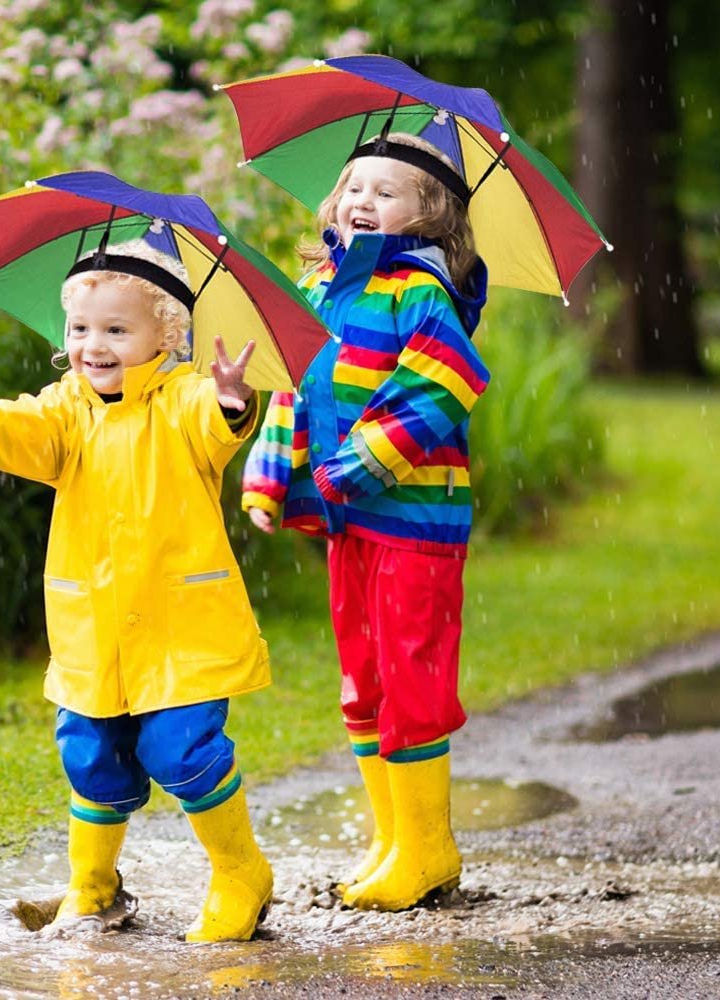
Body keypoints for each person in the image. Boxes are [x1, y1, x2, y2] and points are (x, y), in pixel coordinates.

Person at [0, 239, 273, 942]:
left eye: (116, 330)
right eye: (80, 329)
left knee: (181, 751)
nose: (92, 346)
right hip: (93, 627)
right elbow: (21, 427)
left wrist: (231, 398)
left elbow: (216, 426)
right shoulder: (65, 409)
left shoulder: (185, 399)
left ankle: (240, 872)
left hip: (178, 623)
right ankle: (93, 887)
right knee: (90, 753)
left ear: (167, 334)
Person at [241, 132, 490, 912]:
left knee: (411, 668)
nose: (362, 201)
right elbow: (292, 385)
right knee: (365, 676)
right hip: (350, 524)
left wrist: (352, 469)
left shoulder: (422, 293)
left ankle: (426, 846)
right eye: (355, 187)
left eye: (387, 192)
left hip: (414, 518)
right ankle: (394, 839)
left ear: (430, 215)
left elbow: (448, 381)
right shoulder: (321, 291)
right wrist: (273, 474)